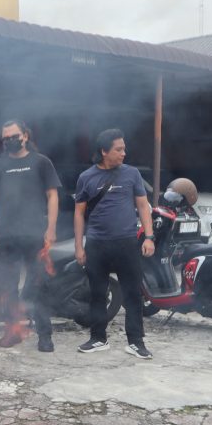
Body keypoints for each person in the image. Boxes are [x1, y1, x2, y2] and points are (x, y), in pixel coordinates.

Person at [73, 129, 155, 358]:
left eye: (124, 149)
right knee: (97, 293)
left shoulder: (132, 174)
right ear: (104, 151)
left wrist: (149, 237)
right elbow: (79, 213)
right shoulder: (86, 177)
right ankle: (98, 338)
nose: (123, 153)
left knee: (132, 294)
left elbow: (142, 205)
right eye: (118, 149)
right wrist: (79, 246)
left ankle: (136, 342)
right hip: (96, 243)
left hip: (126, 242)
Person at [0, 119, 61, 351]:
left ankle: (45, 335)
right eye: (5, 138)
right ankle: (12, 332)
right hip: (6, 235)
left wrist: (51, 228)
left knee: (39, 285)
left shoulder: (41, 162)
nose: (10, 141)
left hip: (35, 234)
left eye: (14, 136)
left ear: (25, 136)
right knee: (7, 287)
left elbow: (52, 196)